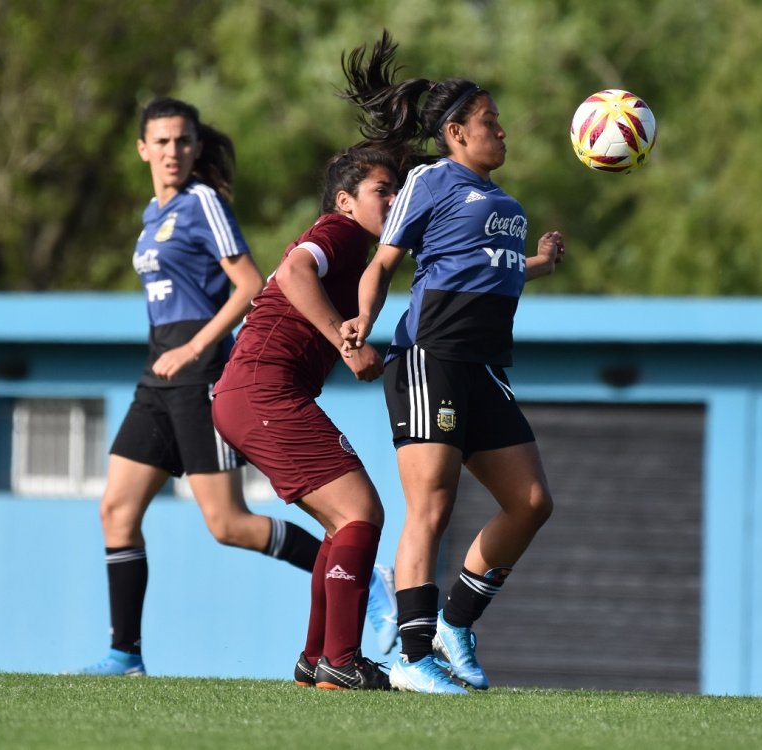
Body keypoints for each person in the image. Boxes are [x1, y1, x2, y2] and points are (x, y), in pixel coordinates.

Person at [71, 97, 397, 677]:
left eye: (183, 141)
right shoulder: (155, 216)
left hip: (205, 375)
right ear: (142, 149)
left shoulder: (203, 203)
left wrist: (197, 348)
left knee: (231, 523)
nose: (173, 151)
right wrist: (349, 346)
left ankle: (335, 636)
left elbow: (249, 282)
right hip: (194, 378)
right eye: (162, 141)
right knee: (116, 510)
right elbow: (291, 273)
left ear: (196, 148)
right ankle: (126, 654)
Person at [338, 33, 564, 694]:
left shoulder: (508, 208)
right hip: (428, 360)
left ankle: (455, 624)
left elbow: (489, 271)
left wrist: (541, 265)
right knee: (431, 507)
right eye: (490, 122)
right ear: (456, 132)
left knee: (531, 502)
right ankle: (412, 658)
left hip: (486, 367)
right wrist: (361, 325)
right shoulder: (430, 182)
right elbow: (384, 263)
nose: (502, 132)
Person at [211, 143, 418, 690]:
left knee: (341, 521)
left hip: (250, 394)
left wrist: (533, 261)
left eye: (397, 190)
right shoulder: (341, 231)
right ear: (346, 201)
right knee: (361, 512)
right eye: (382, 191)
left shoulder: (366, 249)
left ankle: (316, 658)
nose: (393, 199)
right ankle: (342, 662)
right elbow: (294, 269)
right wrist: (346, 346)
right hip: (263, 390)